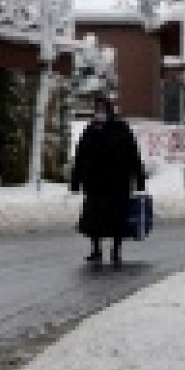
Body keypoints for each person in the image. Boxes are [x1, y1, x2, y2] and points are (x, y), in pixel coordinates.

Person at [69, 93, 146, 267]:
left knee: (117, 218)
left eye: (103, 109)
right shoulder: (90, 130)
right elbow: (80, 156)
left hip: (117, 183)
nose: (100, 112)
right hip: (95, 184)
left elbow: (133, 154)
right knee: (94, 218)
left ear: (109, 110)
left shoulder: (121, 129)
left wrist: (139, 178)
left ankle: (116, 250)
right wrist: (76, 180)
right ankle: (96, 250)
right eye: (97, 109)